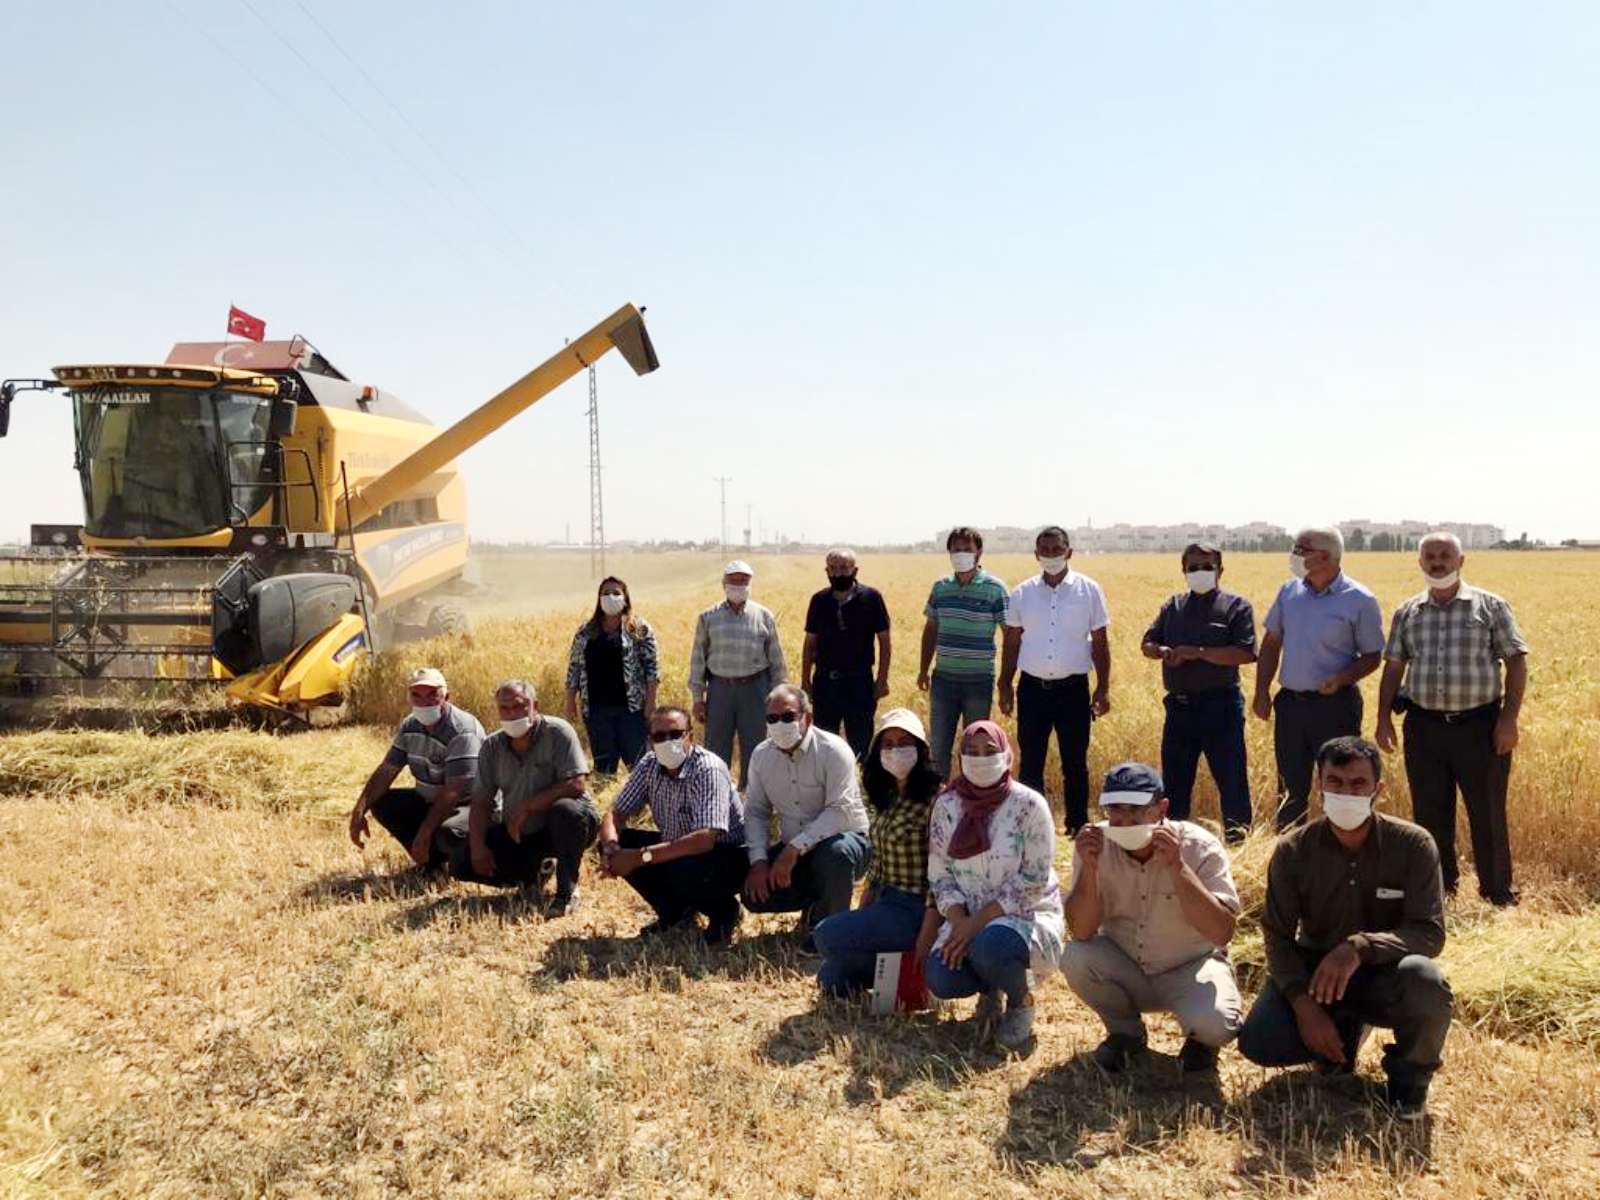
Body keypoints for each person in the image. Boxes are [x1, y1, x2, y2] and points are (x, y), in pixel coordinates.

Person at [1237, 737, 1452, 1121]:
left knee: (1426, 981)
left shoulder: (1414, 845)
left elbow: (1429, 933)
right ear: (1319, 788)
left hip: (1386, 974)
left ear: (1378, 790)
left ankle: (1409, 1081)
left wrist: (1359, 947)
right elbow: (1278, 936)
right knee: (1259, 1042)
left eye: (1357, 784)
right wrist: (1304, 1006)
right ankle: (1339, 1036)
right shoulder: (1293, 850)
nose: (1345, 792)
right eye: (1334, 782)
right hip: (1319, 977)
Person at [1376, 532, 1528, 906]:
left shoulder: (1490, 607)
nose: (1437, 561)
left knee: (1488, 811)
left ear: (1461, 561)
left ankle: (1497, 893)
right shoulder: (1407, 612)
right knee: (1429, 812)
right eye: (1430, 555)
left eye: (1446, 555)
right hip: (1424, 727)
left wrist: (1508, 720)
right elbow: (1394, 668)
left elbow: (1516, 661)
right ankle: (1440, 890)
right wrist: (1383, 719)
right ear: (1420, 562)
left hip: (1481, 726)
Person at [1062, 763, 1243, 1074]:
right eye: (1115, 810)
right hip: (1127, 965)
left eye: (1136, 810)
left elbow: (1222, 932)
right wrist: (1089, 871)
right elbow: (1081, 930)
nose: (1125, 820)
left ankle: (1201, 1042)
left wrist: (1177, 867)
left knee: (1218, 1026)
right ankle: (1126, 1034)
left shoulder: (1199, 846)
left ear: (1162, 808)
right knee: (1076, 958)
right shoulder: (1094, 845)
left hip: (1190, 968)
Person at [925, 721, 1064, 1051]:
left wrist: (976, 924)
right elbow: (940, 874)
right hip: (967, 917)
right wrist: (959, 921)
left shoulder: (1029, 806)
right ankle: (991, 989)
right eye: (971, 752)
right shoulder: (947, 805)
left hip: (1024, 916)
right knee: (941, 977)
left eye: (990, 751)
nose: (980, 759)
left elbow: (1033, 881)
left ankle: (1020, 1001)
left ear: (1007, 756)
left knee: (992, 947)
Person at [1253, 526, 1385, 828]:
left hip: (1335, 706)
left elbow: (1372, 656)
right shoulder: (1289, 591)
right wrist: (1262, 691)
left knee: (1340, 785)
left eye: (1301, 549)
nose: (1293, 555)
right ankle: (1290, 853)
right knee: (1289, 788)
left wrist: (1341, 679)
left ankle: (1340, 850)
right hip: (1291, 705)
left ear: (1324, 557)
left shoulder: (1359, 599)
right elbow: (1272, 642)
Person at [812, 708, 944, 998]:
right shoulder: (885, 796)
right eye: (888, 744)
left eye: (904, 742)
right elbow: (879, 866)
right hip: (887, 902)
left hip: (916, 909)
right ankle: (895, 971)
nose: (896, 750)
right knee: (831, 979)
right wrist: (865, 911)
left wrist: (926, 935)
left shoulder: (937, 800)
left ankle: (917, 959)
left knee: (825, 934)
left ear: (920, 749)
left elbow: (942, 877)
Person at [597, 706, 748, 944]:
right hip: (679, 848)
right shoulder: (649, 764)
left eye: (675, 734)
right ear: (650, 742)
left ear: (691, 736)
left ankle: (725, 913)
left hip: (725, 856)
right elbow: (615, 813)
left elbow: (704, 839)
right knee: (622, 841)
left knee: (682, 865)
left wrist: (638, 857)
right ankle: (676, 913)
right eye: (659, 736)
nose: (668, 741)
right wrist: (611, 850)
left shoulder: (708, 768)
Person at [1141, 542, 1257, 839]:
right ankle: (1175, 845)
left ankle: (1238, 844)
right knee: (1175, 784)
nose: (1200, 572)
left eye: (1207, 567)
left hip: (1221, 706)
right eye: (1193, 568)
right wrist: (1162, 651)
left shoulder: (1236, 606)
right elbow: (1147, 644)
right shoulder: (1173, 606)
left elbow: (1245, 653)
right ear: (1183, 570)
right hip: (1179, 709)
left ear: (1220, 569)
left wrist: (1198, 652)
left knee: (1231, 782)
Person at [997, 525, 1110, 831]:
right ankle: (1034, 827)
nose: (1050, 556)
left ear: (1068, 552)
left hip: (1073, 690)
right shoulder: (1022, 593)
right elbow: (1012, 641)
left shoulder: (1089, 590)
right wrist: (1005, 683)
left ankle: (1077, 825)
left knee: (1075, 763)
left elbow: (1099, 641)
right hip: (1032, 689)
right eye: (1044, 551)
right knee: (1031, 761)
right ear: (1036, 554)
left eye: (1056, 550)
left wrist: (1103, 688)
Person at [742, 684, 871, 945]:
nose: (780, 724)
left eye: (788, 717)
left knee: (835, 854)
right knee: (752, 895)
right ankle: (818, 907)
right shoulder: (761, 756)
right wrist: (759, 862)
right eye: (772, 719)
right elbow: (755, 811)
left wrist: (791, 851)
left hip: (847, 841)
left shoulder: (833, 750)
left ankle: (835, 931)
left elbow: (839, 811)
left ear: (807, 718)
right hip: (797, 848)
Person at [460, 680, 600, 917]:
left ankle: (567, 890)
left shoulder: (558, 732)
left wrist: (528, 805)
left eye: (519, 706)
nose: (512, 714)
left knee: (565, 811)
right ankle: (533, 875)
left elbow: (576, 784)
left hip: (569, 825)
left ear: (534, 705)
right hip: (521, 831)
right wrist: (477, 848)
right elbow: (481, 801)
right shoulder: (492, 746)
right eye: (504, 708)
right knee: (461, 861)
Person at [348, 667, 485, 870]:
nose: (424, 702)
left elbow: (454, 791)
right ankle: (430, 861)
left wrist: (424, 832)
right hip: (429, 800)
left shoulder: (462, 730)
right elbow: (387, 770)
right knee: (382, 802)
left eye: (432, 695)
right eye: (416, 695)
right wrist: (359, 811)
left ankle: (456, 862)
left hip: (469, 805)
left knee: (449, 834)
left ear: (446, 696)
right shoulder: (410, 726)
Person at [917, 526, 1009, 780]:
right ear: (949, 552)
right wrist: (923, 670)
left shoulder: (995, 588)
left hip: (978, 680)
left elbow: (1010, 633)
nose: (961, 554)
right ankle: (939, 805)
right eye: (956, 549)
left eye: (967, 549)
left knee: (976, 750)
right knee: (938, 749)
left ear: (979, 553)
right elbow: (931, 629)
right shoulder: (941, 588)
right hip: (943, 679)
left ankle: (973, 803)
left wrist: (1006, 681)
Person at [688, 560, 788, 786]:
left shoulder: (764, 616)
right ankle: (716, 792)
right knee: (716, 747)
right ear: (724, 583)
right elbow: (698, 660)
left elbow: (776, 659)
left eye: (744, 580)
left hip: (755, 688)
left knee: (756, 746)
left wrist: (779, 695)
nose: (738, 585)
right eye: (733, 580)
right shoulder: (708, 616)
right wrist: (698, 698)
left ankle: (751, 796)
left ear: (750, 583)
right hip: (720, 689)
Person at [564, 576, 660, 775]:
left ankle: (642, 804)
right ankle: (606, 804)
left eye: (616, 593)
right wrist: (570, 700)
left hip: (632, 710)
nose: (611, 597)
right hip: (597, 710)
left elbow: (652, 668)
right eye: (605, 593)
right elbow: (574, 667)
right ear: (598, 599)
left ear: (625, 598)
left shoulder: (639, 629)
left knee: (640, 765)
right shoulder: (586, 631)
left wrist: (650, 704)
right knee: (604, 770)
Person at [801, 548, 892, 759]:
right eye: (833, 569)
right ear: (827, 571)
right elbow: (809, 644)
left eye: (843, 568)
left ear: (855, 569)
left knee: (862, 744)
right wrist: (805, 681)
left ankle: (862, 789)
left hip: (859, 683)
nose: (838, 573)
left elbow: (885, 642)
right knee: (823, 745)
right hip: (825, 683)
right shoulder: (819, 600)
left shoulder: (872, 598)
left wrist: (882, 680)